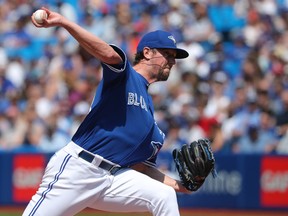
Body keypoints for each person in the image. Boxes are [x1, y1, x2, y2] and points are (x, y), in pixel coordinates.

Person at [23, 7, 190, 216]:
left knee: (163, 195)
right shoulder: (126, 76)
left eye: (174, 57)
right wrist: (64, 22)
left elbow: (142, 168)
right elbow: (108, 54)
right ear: (147, 52)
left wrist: (179, 185)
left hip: (113, 179)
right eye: (167, 54)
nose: (172, 61)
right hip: (79, 169)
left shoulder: (148, 111)